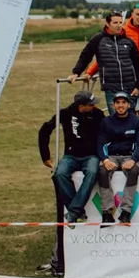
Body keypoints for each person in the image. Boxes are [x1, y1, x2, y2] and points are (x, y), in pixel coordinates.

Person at [38, 90, 104, 224]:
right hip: (71, 155)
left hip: (91, 155)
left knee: (92, 172)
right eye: (91, 104)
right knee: (59, 174)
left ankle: (73, 212)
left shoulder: (98, 114)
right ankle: (78, 212)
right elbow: (45, 130)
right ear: (81, 106)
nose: (94, 106)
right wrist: (45, 156)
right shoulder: (65, 113)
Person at [90, 4, 139, 119]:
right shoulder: (123, 31)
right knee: (130, 109)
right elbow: (107, 57)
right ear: (132, 15)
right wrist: (90, 72)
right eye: (137, 14)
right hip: (129, 79)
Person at [69, 11, 139, 115]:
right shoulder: (98, 39)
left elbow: (138, 64)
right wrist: (76, 72)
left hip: (130, 87)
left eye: (120, 22)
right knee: (115, 117)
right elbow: (86, 56)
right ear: (108, 24)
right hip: (111, 88)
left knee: (130, 118)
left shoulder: (129, 42)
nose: (119, 25)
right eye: (115, 23)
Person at [95, 91, 139, 223]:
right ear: (113, 105)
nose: (120, 105)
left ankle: (126, 211)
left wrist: (133, 160)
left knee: (134, 171)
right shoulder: (106, 122)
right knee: (102, 171)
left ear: (129, 105)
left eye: (123, 102)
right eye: (117, 103)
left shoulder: (137, 121)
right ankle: (107, 211)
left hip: (129, 156)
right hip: (111, 156)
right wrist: (105, 159)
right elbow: (100, 143)